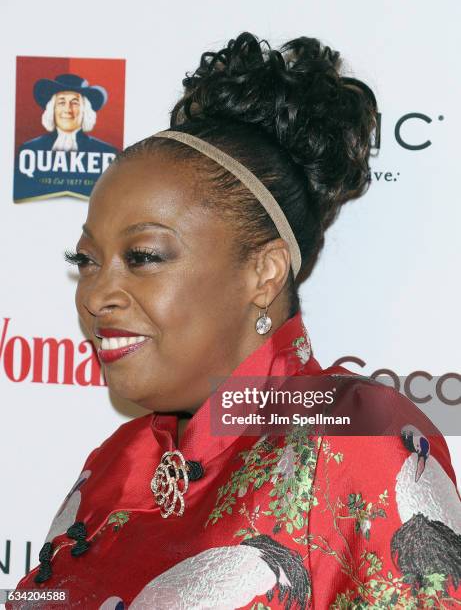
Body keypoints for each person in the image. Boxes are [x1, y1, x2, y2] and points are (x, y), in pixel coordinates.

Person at [8, 32, 461, 609]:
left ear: (265, 273)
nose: (97, 294)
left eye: (143, 257)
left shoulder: (351, 437)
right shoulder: (112, 468)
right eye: (87, 262)